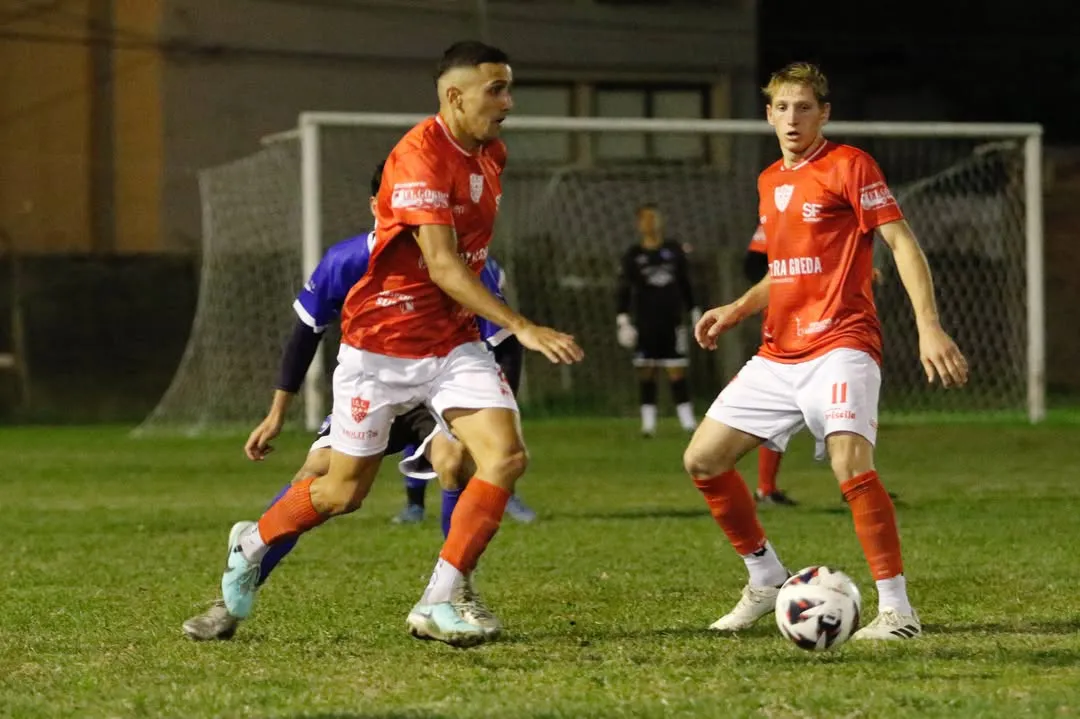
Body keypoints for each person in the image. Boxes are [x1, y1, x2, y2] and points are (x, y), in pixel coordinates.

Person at [218, 40, 583, 649]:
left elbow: (464, 260)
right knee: (341, 492)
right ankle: (251, 543)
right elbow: (442, 264)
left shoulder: (492, 154)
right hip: (378, 353)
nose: (508, 103)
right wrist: (520, 324)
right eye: (496, 90)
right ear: (454, 96)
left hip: (453, 346)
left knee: (505, 457)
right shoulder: (417, 158)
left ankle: (438, 600)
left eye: (508, 88)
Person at [683, 61, 968, 640]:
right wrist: (738, 307)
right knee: (703, 461)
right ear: (768, 114)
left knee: (849, 464)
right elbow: (783, 272)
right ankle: (766, 579)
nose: (793, 118)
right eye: (783, 107)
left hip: (841, 343)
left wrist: (928, 325)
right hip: (778, 352)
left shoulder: (849, 166)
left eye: (805, 107)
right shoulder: (768, 181)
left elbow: (901, 242)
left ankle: (898, 613)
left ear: (824, 113)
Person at [182, 163, 507, 641]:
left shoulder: (463, 261)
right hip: (372, 385)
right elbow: (304, 334)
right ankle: (236, 585)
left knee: (454, 459)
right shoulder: (348, 260)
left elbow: (500, 340)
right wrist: (277, 412)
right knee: (321, 481)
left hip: (439, 385)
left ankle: (455, 593)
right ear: (378, 207)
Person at [392, 256, 537, 526]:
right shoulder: (407, 275)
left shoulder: (477, 273)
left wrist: (503, 401)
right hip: (417, 367)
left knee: (489, 448)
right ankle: (415, 504)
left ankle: (501, 496)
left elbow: (506, 347)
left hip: (465, 373)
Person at [615, 204, 701, 437]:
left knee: (677, 370)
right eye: (645, 219)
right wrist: (623, 319)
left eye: (654, 218)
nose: (650, 223)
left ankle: (688, 422)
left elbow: (685, 283)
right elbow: (624, 288)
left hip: (672, 321)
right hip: (645, 321)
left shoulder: (674, 251)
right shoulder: (633, 255)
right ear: (638, 224)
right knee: (647, 370)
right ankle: (648, 425)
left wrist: (695, 311)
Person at [742, 225, 796, 506]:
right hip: (792, 324)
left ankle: (766, 488)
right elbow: (753, 265)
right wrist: (788, 286)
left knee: (839, 411)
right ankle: (764, 488)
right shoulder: (780, 206)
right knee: (779, 409)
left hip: (828, 328)